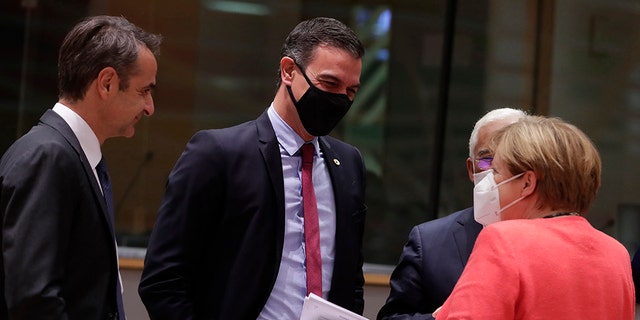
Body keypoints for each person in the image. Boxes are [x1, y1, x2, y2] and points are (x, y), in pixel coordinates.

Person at [138, 17, 367, 319]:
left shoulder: (349, 164)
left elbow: (350, 281)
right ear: (288, 71)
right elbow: (163, 280)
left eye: (350, 92)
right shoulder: (218, 154)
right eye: (329, 83)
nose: (339, 99)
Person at [0, 15, 161, 319]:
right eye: (144, 91)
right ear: (107, 83)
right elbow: (34, 300)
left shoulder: (75, 156)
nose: (150, 107)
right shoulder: (46, 157)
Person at [433, 116, 635, 319]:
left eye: (496, 172)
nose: (489, 183)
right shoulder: (617, 253)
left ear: (527, 183)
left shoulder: (503, 240)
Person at [377, 108, 527, 320]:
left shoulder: (554, 242)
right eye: (486, 160)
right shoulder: (429, 242)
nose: (497, 171)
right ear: (471, 170)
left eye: (511, 159)